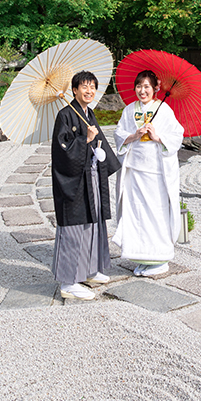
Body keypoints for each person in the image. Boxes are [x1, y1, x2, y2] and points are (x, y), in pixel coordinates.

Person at [50, 70, 121, 301]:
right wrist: (85, 140)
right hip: (73, 180)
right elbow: (62, 153)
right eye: (84, 87)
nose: (89, 91)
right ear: (74, 90)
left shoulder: (88, 113)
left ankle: (88, 271)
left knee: (93, 225)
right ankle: (68, 282)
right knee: (74, 228)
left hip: (91, 178)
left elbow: (99, 144)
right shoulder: (65, 115)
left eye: (92, 87)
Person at [112, 69, 185, 277]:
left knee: (155, 212)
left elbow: (177, 135)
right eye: (139, 86)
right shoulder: (128, 110)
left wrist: (157, 136)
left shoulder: (164, 110)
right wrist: (134, 135)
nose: (142, 91)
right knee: (135, 212)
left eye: (146, 87)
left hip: (155, 172)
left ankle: (160, 259)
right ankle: (141, 257)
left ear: (156, 88)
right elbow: (118, 134)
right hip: (134, 171)